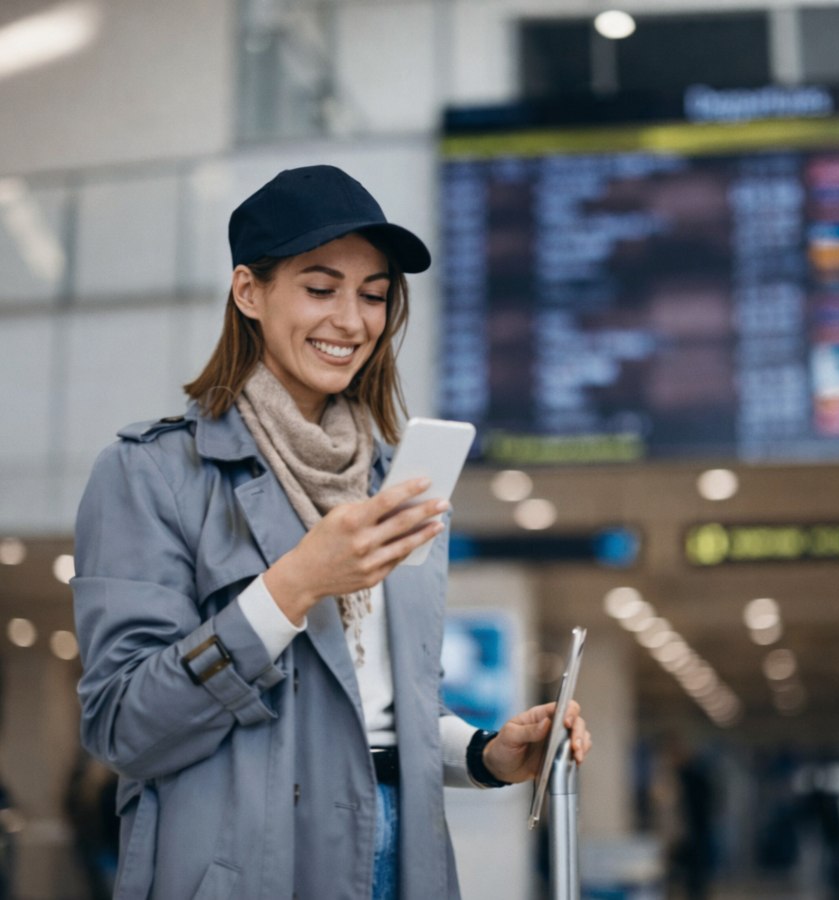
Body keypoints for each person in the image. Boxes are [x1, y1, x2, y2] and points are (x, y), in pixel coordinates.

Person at [71, 165, 592, 900]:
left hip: (402, 857)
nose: (352, 321)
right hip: (248, 871)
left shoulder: (394, 480)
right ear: (248, 291)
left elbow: (378, 706)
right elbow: (124, 725)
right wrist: (293, 585)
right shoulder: (150, 474)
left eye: (374, 296)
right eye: (320, 289)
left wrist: (485, 754)